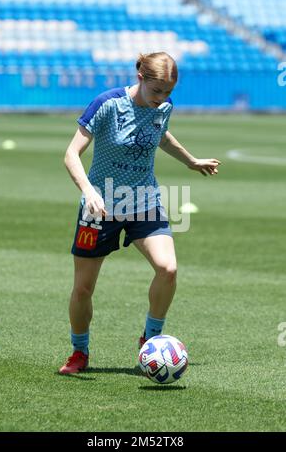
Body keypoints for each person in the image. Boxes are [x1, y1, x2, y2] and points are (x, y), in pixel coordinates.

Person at [59, 52, 221, 375]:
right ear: (140, 77)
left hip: (144, 201)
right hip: (101, 206)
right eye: (157, 90)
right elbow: (71, 154)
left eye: (168, 92)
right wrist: (89, 191)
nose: (162, 99)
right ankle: (79, 352)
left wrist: (191, 161)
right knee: (82, 289)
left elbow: (160, 134)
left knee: (168, 269)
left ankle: (152, 338)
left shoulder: (163, 107)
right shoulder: (106, 104)